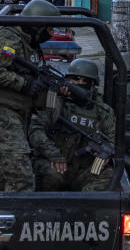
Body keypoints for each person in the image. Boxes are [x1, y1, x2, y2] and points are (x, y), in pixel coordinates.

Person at [0, 0, 60, 192]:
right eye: (48, 29)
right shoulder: (10, 38)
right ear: (36, 26)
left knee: (5, 176)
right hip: (2, 114)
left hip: (17, 114)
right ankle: (16, 221)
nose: (50, 34)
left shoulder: (28, 42)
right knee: (22, 180)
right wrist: (24, 84)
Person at [29, 59, 116, 192]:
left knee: (108, 175)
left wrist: (104, 156)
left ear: (93, 85)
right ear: (68, 80)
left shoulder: (103, 111)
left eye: (85, 81)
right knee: (51, 176)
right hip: (54, 163)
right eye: (75, 79)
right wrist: (53, 153)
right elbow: (35, 130)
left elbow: (112, 140)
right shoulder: (55, 101)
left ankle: (84, 210)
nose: (80, 83)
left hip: (83, 170)